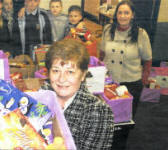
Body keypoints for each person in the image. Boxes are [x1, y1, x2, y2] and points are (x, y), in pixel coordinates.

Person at [42, 39, 114, 149]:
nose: (61, 79)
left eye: (70, 72)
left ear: (83, 75)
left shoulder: (97, 111)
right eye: (56, 71)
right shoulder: (42, 97)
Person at [100, 1, 152, 149]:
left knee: (124, 121)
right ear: (116, 15)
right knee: (107, 117)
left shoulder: (141, 34)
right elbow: (102, 53)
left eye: (126, 13)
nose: (123, 16)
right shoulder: (108, 29)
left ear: (132, 15)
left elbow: (148, 60)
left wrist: (143, 80)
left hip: (131, 83)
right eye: (120, 12)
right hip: (109, 82)